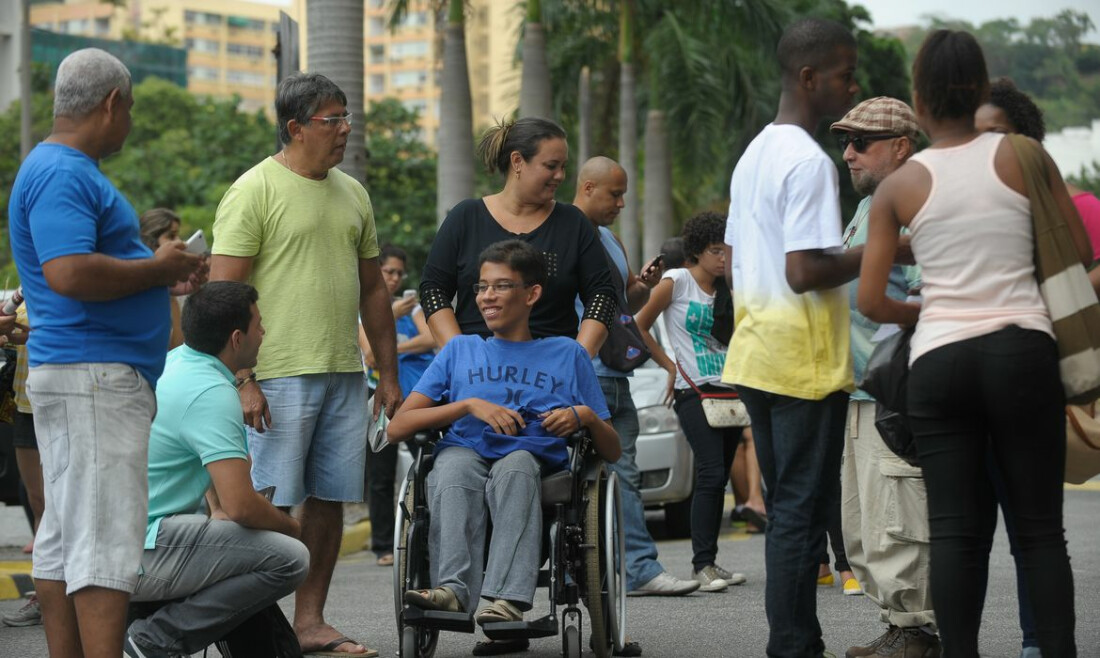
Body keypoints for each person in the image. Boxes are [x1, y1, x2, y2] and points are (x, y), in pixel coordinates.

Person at [858, 29, 1083, 657]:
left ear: (918, 99)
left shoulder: (901, 184)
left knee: (957, 533)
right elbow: (1077, 251)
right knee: (1039, 532)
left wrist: (927, 311)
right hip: (1022, 352)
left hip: (940, 360)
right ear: (981, 90)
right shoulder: (1023, 155)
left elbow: (872, 301)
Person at [6, 48, 204, 658]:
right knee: (105, 543)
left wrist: (153, 273)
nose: (131, 120)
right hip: (95, 376)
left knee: (65, 539)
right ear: (112, 102)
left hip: (77, 371)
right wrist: (157, 268)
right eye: (132, 108)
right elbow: (68, 273)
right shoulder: (66, 172)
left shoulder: (53, 167)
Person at [210, 71, 400, 656]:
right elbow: (221, 295)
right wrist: (242, 378)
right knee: (260, 503)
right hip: (273, 375)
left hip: (343, 370)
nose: (344, 130)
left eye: (346, 118)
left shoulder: (353, 193)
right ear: (295, 127)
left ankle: (310, 621)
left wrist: (387, 373)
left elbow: (373, 291)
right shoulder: (253, 190)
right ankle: (249, 630)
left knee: (328, 498)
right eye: (331, 119)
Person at [722, 18, 881, 656]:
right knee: (798, 513)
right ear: (810, 77)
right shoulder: (810, 162)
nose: (854, 86)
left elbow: (735, 260)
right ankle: (792, 646)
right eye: (846, 75)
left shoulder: (755, 152)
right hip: (802, 361)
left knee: (791, 511)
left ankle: (795, 641)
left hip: (758, 352)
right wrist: (880, 248)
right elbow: (806, 268)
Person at [388, 240, 621, 625]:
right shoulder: (459, 350)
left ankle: (507, 601)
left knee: (517, 466)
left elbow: (612, 450)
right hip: (466, 449)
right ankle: (452, 591)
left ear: (532, 294)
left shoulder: (567, 353)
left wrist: (586, 417)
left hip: (530, 459)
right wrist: (468, 405)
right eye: (481, 287)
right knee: (452, 469)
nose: (486, 297)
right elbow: (398, 427)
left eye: (500, 286)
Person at [124, 281, 309, 658]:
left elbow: (220, 489)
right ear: (238, 338)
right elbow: (241, 504)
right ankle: (156, 638)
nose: (264, 331)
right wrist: (291, 527)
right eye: (259, 324)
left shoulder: (178, 361)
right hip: (142, 546)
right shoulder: (212, 393)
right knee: (291, 557)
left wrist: (219, 510)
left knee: (242, 538)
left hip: (132, 533)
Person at [829, 97, 939, 658]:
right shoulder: (872, 203)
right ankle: (900, 625)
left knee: (898, 517)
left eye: (861, 143)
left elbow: (932, 292)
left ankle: (917, 629)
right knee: (864, 522)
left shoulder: (917, 199)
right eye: (845, 142)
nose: (848, 154)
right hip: (859, 390)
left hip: (895, 390)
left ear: (901, 146)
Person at [571, 157, 699, 607]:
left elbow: (627, 296)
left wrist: (642, 285)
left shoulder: (607, 237)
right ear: (587, 188)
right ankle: (640, 568)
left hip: (617, 373)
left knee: (618, 475)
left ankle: (625, 566)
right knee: (619, 474)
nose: (622, 203)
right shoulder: (565, 231)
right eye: (614, 194)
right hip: (588, 373)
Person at [419, 116, 616, 355]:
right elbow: (433, 290)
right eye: (551, 166)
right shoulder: (465, 217)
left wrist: (577, 358)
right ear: (517, 161)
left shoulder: (573, 223)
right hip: (476, 371)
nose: (560, 176)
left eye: (563, 167)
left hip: (552, 374)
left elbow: (602, 296)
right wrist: (458, 354)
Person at [635, 212, 746, 593]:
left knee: (720, 479)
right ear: (697, 251)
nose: (722, 258)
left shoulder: (728, 287)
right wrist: (668, 365)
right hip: (691, 390)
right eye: (716, 251)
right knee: (711, 472)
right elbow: (638, 324)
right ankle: (702, 565)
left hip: (730, 390)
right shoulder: (677, 281)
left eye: (726, 251)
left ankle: (712, 562)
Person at [359, 243, 437, 568]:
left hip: (417, 395)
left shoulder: (413, 307)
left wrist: (397, 349)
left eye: (398, 273)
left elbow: (433, 338)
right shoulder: (363, 310)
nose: (393, 278)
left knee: (430, 465)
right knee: (380, 475)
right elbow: (371, 356)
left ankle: (431, 540)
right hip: (381, 396)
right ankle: (382, 546)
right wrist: (392, 320)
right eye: (387, 271)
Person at [976, 77, 1100, 263]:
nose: (985, 145)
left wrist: (1058, 290)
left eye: (996, 134)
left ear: (1027, 136)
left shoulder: (1081, 205)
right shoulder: (976, 203)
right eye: (975, 137)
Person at [1, 301, 39, 628]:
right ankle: (46, 594)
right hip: (25, 402)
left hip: (66, 398)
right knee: (39, 502)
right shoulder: (26, 286)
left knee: (63, 505)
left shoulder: (73, 273)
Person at [139, 208, 186, 350]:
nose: (179, 242)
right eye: (171, 237)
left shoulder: (181, 286)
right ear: (151, 242)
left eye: (178, 236)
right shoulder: (136, 288)